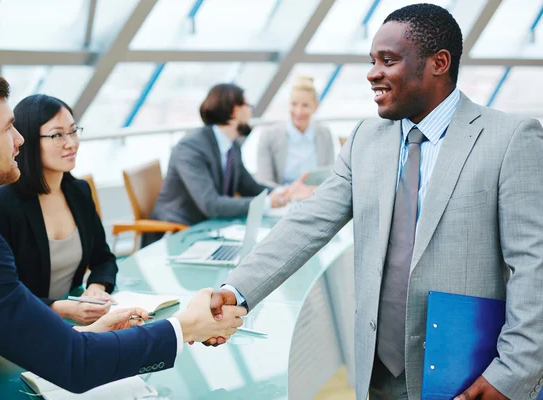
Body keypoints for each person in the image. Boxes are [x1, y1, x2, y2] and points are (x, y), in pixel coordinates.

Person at [208, 4, 543, 400]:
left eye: (388, 60)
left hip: (468, 374)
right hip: (376, 372)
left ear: (439, 63)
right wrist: (236, 290)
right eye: (371, 61)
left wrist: (512, 373)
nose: (372, 74)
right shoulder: (365, 138)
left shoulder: (509, 138)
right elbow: (307, 224)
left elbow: (533, 264)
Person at [0, 66, 247, 399]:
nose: (19, 140)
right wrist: (189, 325)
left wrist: (90, 334)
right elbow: (76, 363)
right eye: (7, 129)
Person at [0, 94, 117, 325]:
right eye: (57, 135)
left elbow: (104, 258)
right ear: (26, 140)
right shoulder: (2, 203)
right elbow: (1, 291)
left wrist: (96, 288)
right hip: (23, 325)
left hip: (74, 321)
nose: (71, 143)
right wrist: (60, 308)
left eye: (73, 131)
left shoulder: (79, 191)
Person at [151, 83, 309, 227]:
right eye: (248, 106)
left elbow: (249, 187)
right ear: (235, 111)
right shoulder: (190, 148)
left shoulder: (231, 146)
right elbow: (211, 204)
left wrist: (285, 191)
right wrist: (267, 203)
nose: (250, 113)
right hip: (178, 232)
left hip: (210, 227)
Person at [256, 76, 335, 186]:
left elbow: (329, 176)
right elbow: (264, 182)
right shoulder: (269, 136)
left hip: (316, 198)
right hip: (283, 200)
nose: (299, 111)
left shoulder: (324, 134)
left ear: (315, 107)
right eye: (294, 104)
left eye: (305, 105)